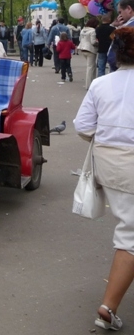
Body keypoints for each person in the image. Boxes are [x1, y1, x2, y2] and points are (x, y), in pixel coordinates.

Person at [73, 27, 134, 331]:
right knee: (130, 238)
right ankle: (107, 307)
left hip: (108, 168)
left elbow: (83, 126)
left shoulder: (100, 83)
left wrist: (111, 136)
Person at [78, 17, 99, 89]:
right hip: (90, 49)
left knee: (91, 66)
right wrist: (98, 43)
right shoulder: (93, 30)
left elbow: (80, 39)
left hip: (83, 48)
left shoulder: (83, 30)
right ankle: (89, 85)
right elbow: (93, 42)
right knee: (90, 67)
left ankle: (91, 83)